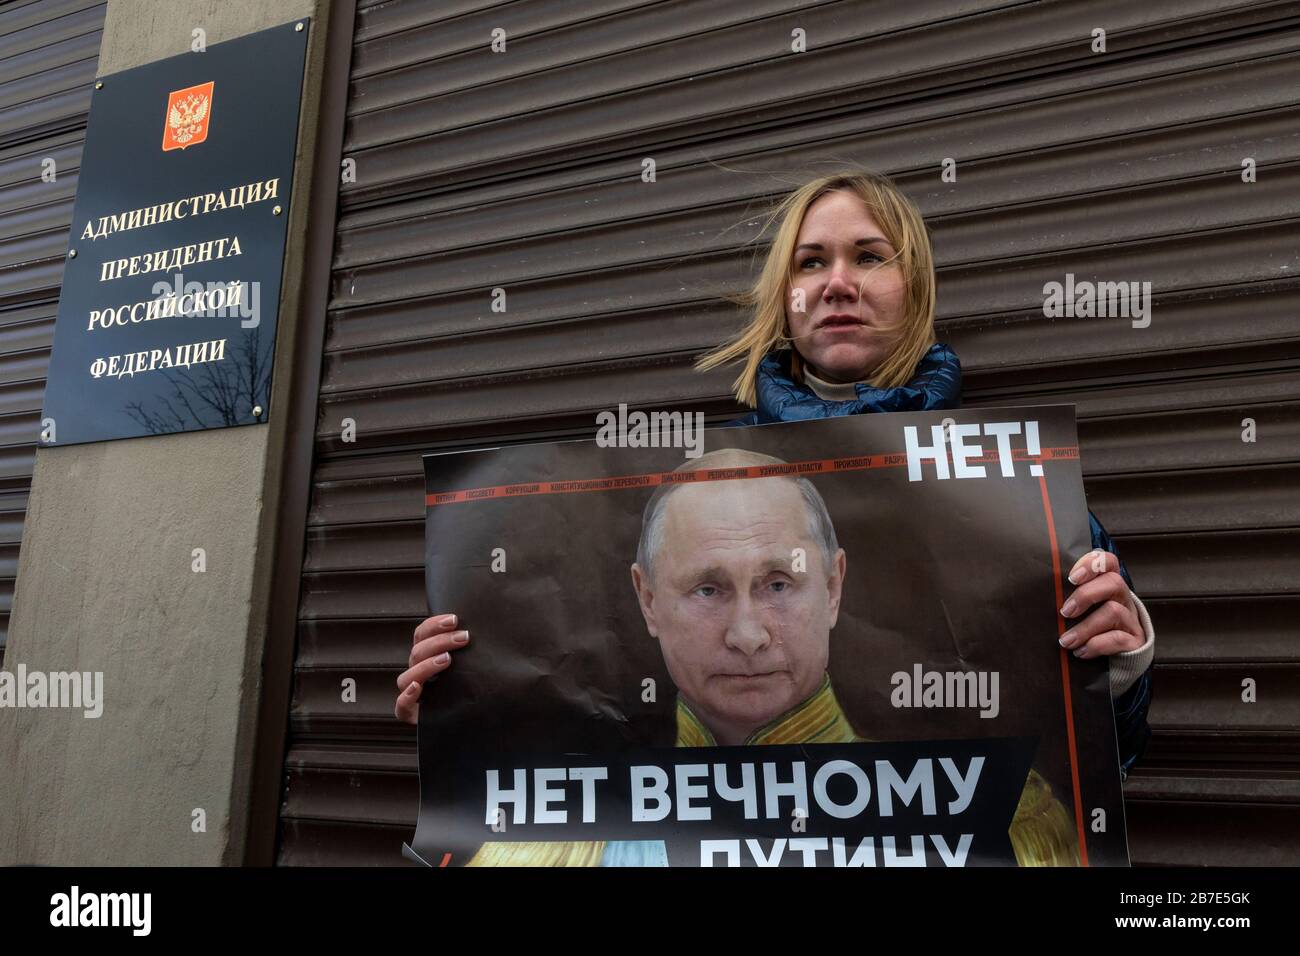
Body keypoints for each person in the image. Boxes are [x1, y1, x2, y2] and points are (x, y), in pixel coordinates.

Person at [397, 169, 1155, 836]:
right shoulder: (681, 481)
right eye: (811, 260)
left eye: (869, 256)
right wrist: (463, 705)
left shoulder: (1018, 495)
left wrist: (1120, 671)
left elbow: (1099, 771)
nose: (837, 282)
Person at [452, 449, 1079, 867]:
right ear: (647, 600)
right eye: (708, 589)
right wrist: (454, 699)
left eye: (779, 583)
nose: (747, 635)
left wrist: (1114, 668)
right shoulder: (547, 838)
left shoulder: (1001, 814)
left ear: (833, 587)